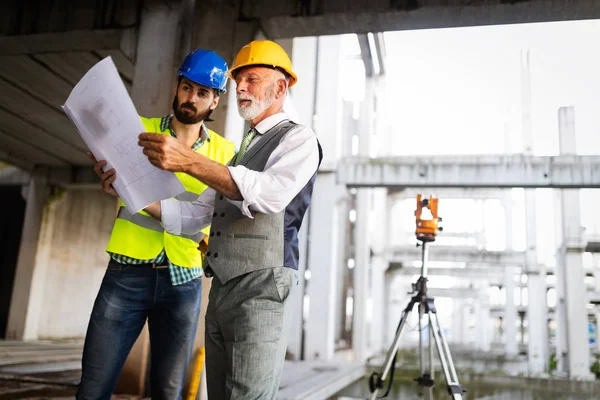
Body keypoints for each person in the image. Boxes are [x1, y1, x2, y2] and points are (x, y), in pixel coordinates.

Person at [137, 39, 323, 399]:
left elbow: (268, 194)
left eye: (251, 78)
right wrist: (134, 194)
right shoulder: (243, 152)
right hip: (222, 290)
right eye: (238, 79)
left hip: (262, 289)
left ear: (280, 87)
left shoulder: (300, 138)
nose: (239, 86)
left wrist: (189, 161)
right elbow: (199, 214)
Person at [77, 49, 235, 400]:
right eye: (186, 87)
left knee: (168, 391)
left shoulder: (226, 154)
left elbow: (225, 214)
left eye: (202, 93)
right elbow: (116, 178)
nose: (191, 98)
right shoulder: (139, 130)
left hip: (183, 279)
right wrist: (108, 180)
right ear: (177, 87)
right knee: (93, 386)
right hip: (126, 272)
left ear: (214, 102)